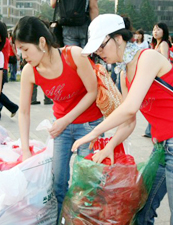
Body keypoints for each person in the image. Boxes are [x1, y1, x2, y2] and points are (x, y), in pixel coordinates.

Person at [71, 14, 173, 225]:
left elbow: (129, 108)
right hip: (162, 146)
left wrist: (94, 132)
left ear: (118, 38)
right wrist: (110, 146)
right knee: (142, 208)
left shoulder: (148, 58)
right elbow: (130, 122)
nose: (99, 53)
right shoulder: (126, 73)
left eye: (101, 46)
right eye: (96, 50)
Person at [13, 16, 103, 219]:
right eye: (20, 50)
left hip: (90, 127)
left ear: (42, 42)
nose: (23, 55)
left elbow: (92, 92)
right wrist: (25, 150)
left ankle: (83, 221)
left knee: (87, 184)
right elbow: (24, 111)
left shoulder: (74, 55)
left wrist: (65, 120)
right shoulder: (30, 71)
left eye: (26, 49)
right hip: (61, 130)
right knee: (57, 184)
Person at [143, 23, 172, 138]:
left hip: (162, 78)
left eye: (158, 29)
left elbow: (165, 60)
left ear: (164, 31)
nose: (155, 31)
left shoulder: (164, 44)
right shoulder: (156, 44)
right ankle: (151, 130)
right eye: (154, 29)